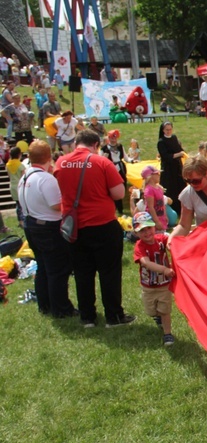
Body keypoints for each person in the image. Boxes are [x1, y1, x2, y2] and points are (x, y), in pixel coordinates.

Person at [54, 130, 134, 328]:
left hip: (75, 227)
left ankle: (87, 316)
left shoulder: (61, 162)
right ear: (96, 145)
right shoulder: (101, 162)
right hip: (102, 224)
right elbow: (118, 193)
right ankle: (114, 316)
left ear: (76, 143)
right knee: (109, 272)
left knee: (82, 273)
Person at [18, 140, 76, 317]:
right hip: (47, 228)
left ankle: (45, 304)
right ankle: (61, 308)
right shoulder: (45, 179)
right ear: (49, 157)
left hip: (31, 224)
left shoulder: (25, 176)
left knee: (43, 267)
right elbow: (56, 205)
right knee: (57, 270)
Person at [132, 212, 176, 346]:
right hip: (148, 286)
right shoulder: (140, 247)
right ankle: (157, 317)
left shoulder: (161, 239)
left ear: (154, 227)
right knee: (150, 311)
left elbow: (172, 240)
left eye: (149, 228)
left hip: (164, 286)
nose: (147, 233)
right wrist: (164, 269)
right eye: (142, 230)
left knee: (165, 310)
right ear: (136, 233)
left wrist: (172, 240)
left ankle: (167, 334)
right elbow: (145, 263)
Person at [157, 122, 188, 214]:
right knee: (170, 188)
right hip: (168, 169)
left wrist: (183, 153)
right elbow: (166, 156)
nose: (169, 131)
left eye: (170, 129)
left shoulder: (174, 138)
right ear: (163, 130)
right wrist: (179, 154)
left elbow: (179, 149)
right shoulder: (161, 142)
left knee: (180, 186)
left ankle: (182, 208)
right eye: (167, 129)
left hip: (177, 167)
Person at [100, 129, 129, 215]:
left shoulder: (120, 146)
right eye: (112, 138)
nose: (113, 140)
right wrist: (104, 158)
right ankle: (112, 208)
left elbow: (126, 157)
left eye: (115, 138)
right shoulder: (104, 148)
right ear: (108, 138)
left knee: (122, 185)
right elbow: (100, 160)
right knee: (110, 187)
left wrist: (131, 160)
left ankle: (120, 209)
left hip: (120, 168)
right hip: (110, 168)